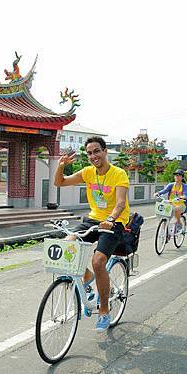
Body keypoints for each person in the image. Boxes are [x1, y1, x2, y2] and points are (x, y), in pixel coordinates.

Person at [54, 136, 130, 332]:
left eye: (97, 151)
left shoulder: (119, 174)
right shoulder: (88, 173)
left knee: (98, 261)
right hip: (93, 219)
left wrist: (111, 220)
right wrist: (61, 165)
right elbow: (59, 182)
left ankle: (104, 311)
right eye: (89, 153)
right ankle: (87, 277)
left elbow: (121, 203)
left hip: (115, 222)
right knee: (66, 245)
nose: (93, 156)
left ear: (105, 151)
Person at [154, 169, 187, 233]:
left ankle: (178, 223)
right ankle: (166, 233)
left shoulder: (184, 186)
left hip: (181, 204)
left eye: (178, 175)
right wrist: (158, 193)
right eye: (175, 175)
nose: (176, 177)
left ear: (182, 177)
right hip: (171, 204)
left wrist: (182, 197)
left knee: (177, 209)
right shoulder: (171, 185)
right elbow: (164, 191)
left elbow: (185, 194)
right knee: (165, 217)